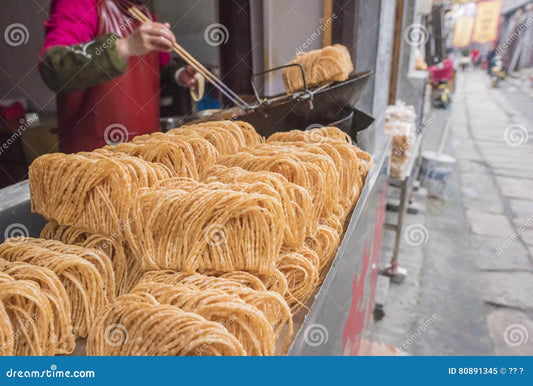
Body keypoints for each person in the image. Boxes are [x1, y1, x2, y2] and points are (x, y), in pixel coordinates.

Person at [39, 0, 197, 153]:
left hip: (146, 150)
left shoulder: (143, 13)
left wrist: (179, 74)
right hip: (95, 157)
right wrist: (125, 46)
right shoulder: (80, 3)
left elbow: (157, 67)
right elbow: (55, 67)